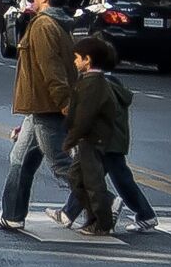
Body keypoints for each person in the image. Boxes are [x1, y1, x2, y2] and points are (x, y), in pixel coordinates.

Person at [0, 0, 76, 230]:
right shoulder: (53, 24)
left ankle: (102, 197)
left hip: (47, 107)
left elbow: (52, 71)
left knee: (59, 164)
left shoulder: (44, 25)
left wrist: (66, 106)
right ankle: (12, 214)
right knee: (19, 158)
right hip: (40, 107)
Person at [55, 37, 137, 236]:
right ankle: (95, 214)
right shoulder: (87, 81)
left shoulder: (94, 84)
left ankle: (102, 222)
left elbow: (85, 115)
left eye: (77, 58)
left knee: (93, 183)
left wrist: (71, 137)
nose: (74, 61)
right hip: (87, 139)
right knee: (76, 178)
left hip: (93, 139)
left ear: (87, 60)